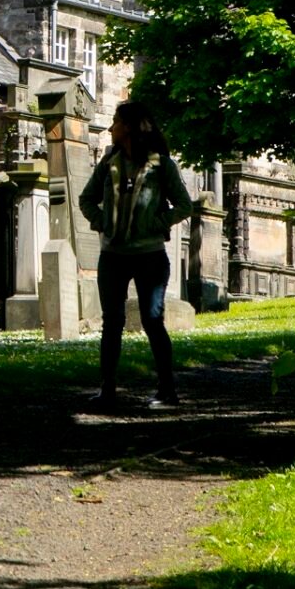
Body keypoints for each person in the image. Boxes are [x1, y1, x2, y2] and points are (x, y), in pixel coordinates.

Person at [77, 102, 194, 410]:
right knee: (111, 322)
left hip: (149, 256)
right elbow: (86, 199)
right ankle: (107, 390)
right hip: (113, 255)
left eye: (115, 122)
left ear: (128, 127)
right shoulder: (109, 163)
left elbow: (184, 205)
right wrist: (102, 223)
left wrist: (155, 224)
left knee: (153, 320)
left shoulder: (161, 166)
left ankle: (167, 391)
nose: (110, 128)